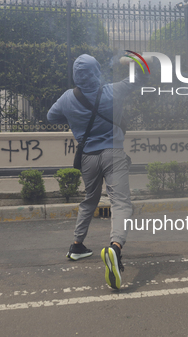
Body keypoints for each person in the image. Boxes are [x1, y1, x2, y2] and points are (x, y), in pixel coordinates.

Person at [47, 53, 142, 290]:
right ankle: (115, 249)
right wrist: (132, 63)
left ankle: (77, 245)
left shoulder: (68, 97)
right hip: (113, 153)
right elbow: (139, 78)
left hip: (87, 158)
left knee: (90, 200)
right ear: (97, 71)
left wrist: (73, 117)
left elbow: (51, 116)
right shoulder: (113, 90)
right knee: (120, 203)